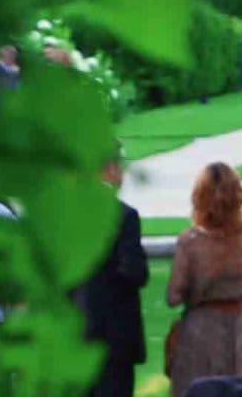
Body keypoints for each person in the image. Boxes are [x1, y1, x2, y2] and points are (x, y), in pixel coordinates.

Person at [166, 163, 242, 397]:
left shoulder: (190, 241)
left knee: (200, 388)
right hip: (240, 325)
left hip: (201, 327)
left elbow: (173, 296)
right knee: (241, 388)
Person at [73, 148, 149, 397]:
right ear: (109, 170)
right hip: (115, 338)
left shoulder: (65, 216)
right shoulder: (124, 215)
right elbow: (135, 271)